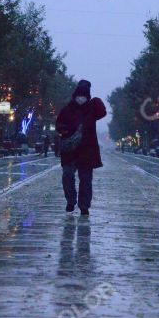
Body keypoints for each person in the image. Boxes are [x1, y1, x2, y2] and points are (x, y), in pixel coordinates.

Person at [56, 80, 107, 216]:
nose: (81, 98)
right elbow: (58, 125)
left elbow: (102, 112)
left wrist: (96, 100)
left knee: (85, 179)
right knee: (67, 175)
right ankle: (71, 201)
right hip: (70, 150)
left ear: (88, 96)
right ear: (75, 95)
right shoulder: (67, 110)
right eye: (79, 95)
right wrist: (64, 131)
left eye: (84, 95)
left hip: (87, 150)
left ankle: (84, 206)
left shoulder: (91, 110)